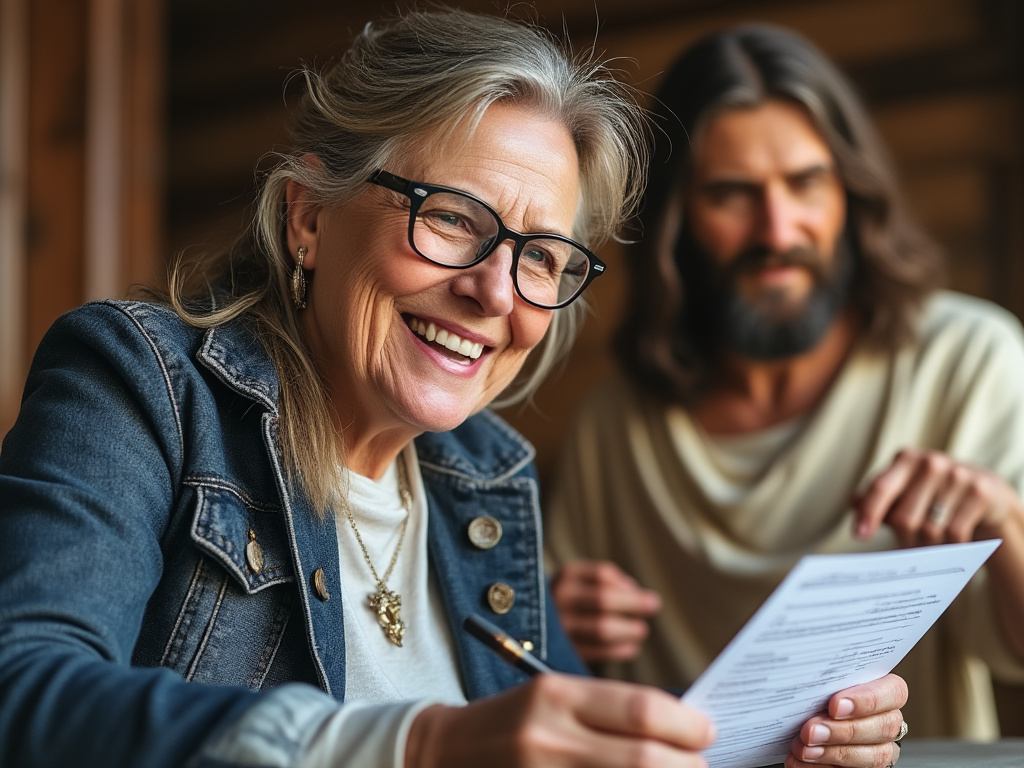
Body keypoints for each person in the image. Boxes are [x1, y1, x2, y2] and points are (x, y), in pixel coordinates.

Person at [0, 9, 910, 768]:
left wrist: (790, 742)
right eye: (450, 220)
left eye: (542, 258)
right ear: (309, 216)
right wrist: (421, 744)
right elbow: (23, 688)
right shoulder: (141, 382)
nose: (494, 292)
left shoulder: (482, 479)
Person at [545, 22, 1024, 742]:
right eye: (733, 194)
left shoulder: (967, 360)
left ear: (851, 193)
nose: (778, 229)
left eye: (806, 183)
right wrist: (551, 625)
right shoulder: (615, 425)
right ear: (676, 221)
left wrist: (1006, 527)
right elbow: (538, 675)